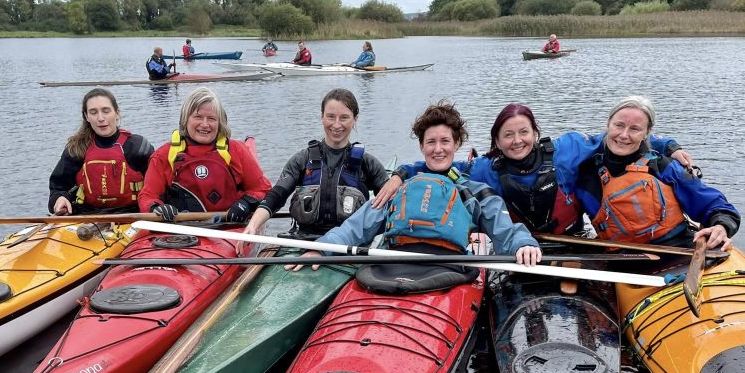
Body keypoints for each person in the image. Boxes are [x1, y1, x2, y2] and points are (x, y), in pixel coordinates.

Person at [376, 102, 692, 237]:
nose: (517, 141)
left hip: (574, 244)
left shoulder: (567, 150)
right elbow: (442, 165)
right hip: (522, 251)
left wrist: (668, 146)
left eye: (524, 132)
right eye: (508, 135)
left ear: (535, 133)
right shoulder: (485, 168)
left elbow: (619, 138)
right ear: (497, 142)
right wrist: (402, 173)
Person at [295, 101, 542, 269]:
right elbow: (356, 227)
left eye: (445, 141)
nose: (437, 149)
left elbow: (504, 229)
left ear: (456, 145)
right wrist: (321, 250)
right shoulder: (399, 188)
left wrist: (524, 244)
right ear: (422, 146)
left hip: (449, 270)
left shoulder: (472, 191)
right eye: (430, 142)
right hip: (394, 265)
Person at [560, 95, 739, 250]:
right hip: (622, 259)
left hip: (678, 248)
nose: (623, 135)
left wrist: (721, 226)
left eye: (635, 129)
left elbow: (716, 206)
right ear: (608, 125)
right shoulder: (584, 174)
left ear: (646, 133)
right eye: (618, 125)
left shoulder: (663, 167)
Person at [242, 88, 393, 237]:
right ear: (322, 117)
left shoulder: (368, 164)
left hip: (349, 245)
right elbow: (276, 196)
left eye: (344, 118)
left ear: (355, 119)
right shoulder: (302, 160)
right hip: (305, 240)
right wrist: (253, 225)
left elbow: (393, 205)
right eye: (331, 117)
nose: (336, 125)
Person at [139, 87, 271, 221]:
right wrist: (155, 208)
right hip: (182, 232)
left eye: (212, 119)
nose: (205, 124)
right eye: (198, 117)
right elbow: (147, 196)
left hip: (229, 226)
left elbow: (263, 189)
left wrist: (246, 204)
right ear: (185, 120)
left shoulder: (236, 151)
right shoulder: (163, 155)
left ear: (220, 123)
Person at [48, 88, 154, 216]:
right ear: (87, 117)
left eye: (106, 111)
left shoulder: (138, 147)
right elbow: (58, 187)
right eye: (93, 112)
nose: (100, 118)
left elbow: (157, 186)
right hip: (86, 216)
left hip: (133, 215)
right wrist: (59, 198)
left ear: (117, 113)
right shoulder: (77, 148)